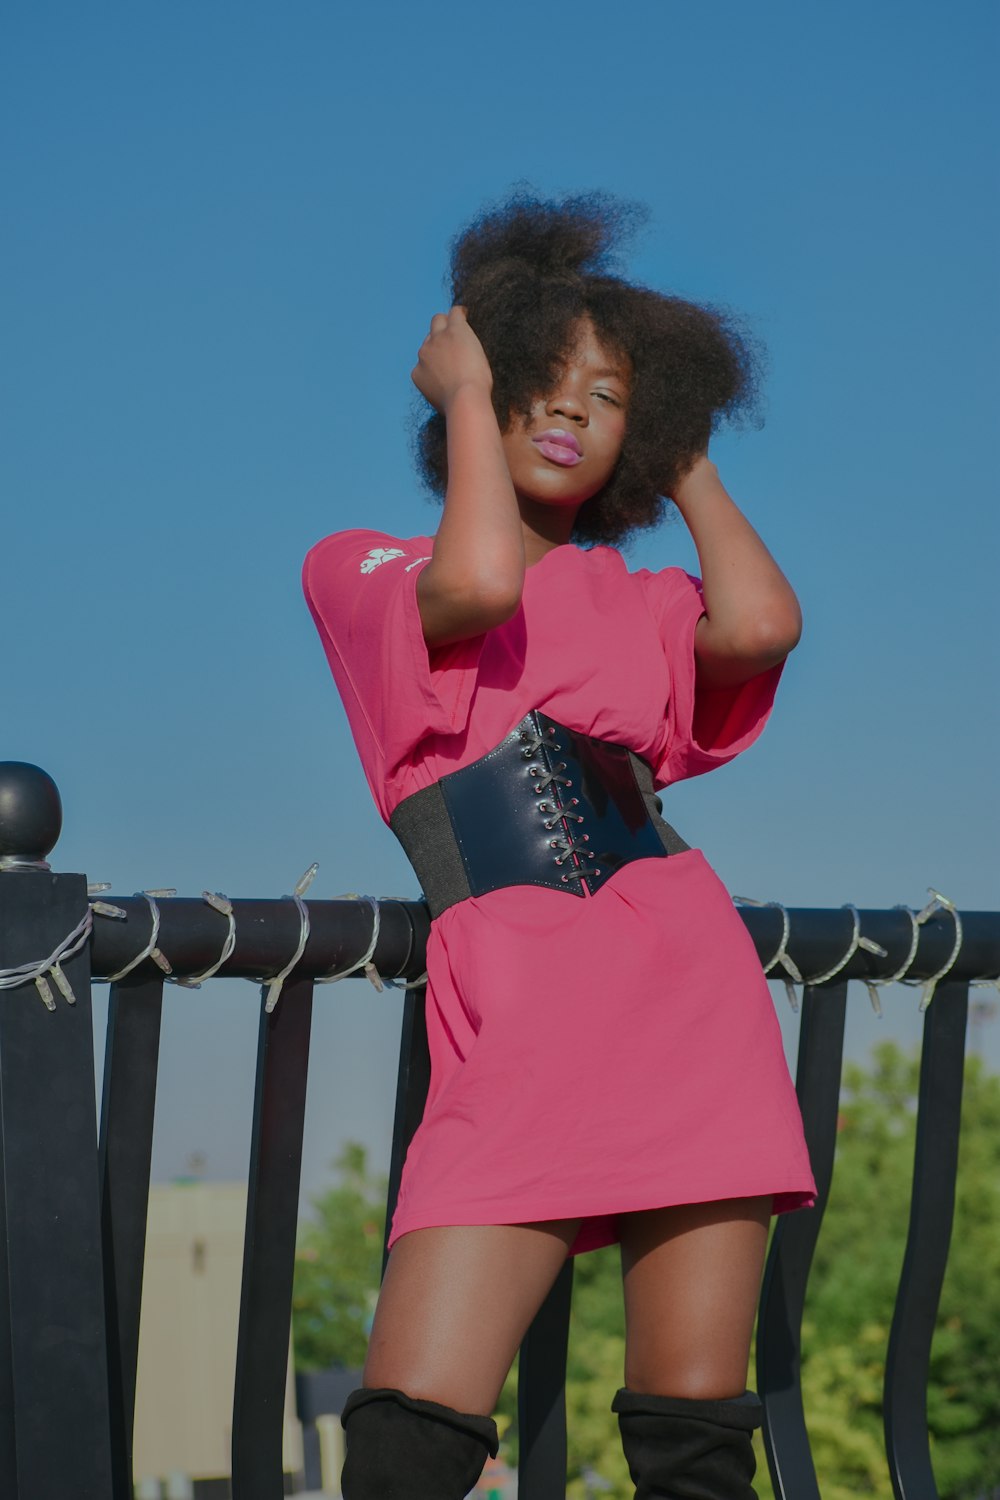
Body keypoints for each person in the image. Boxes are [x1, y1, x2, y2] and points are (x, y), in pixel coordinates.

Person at [303, 188, 817, 1500]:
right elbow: (475, 584)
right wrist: (472, 394)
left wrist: (681, 444)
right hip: (522, 1027)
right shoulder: (360, 567)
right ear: (477, 382)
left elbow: (759, 627)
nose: (572, 411)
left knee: (696, 1445)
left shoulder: (638, 597)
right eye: (546, 380)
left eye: (608, 397)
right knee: (410, 1439)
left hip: (691, 1004)